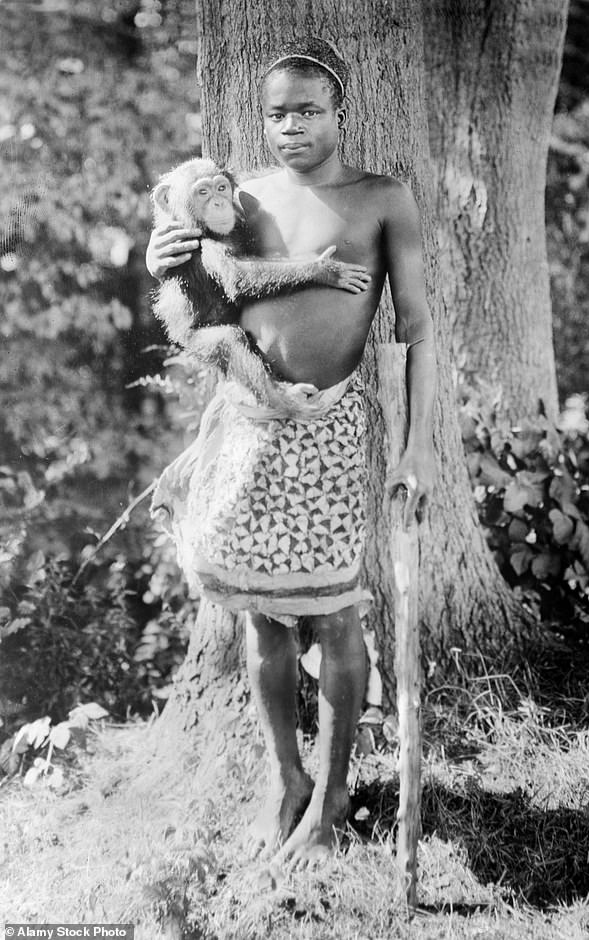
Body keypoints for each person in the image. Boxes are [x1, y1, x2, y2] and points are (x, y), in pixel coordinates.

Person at [146, 38, 437, 871]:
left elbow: (416, 330)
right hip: (250, 421)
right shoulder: (244, 197)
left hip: (332, 428)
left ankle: (336, 796)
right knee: (262, 613)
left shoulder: (382, 199)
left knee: (332, 611)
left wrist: (416, 448)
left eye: (308, 111)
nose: (291, 128)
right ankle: (286, 778)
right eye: (277, 114)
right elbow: (193, 271)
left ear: (339, 112)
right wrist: (165, 253)